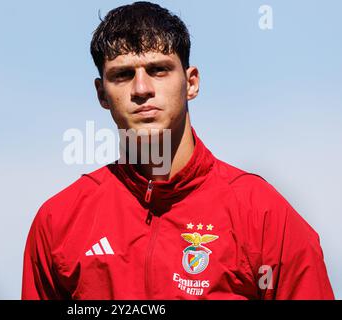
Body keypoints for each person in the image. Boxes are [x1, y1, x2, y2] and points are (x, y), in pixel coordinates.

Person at [21, 1, 334, 300]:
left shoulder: (262, 214)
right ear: (102, 93)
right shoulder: (59, 222)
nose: (141, 89)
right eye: (123, 74)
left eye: (158, 70)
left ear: (191, 83)